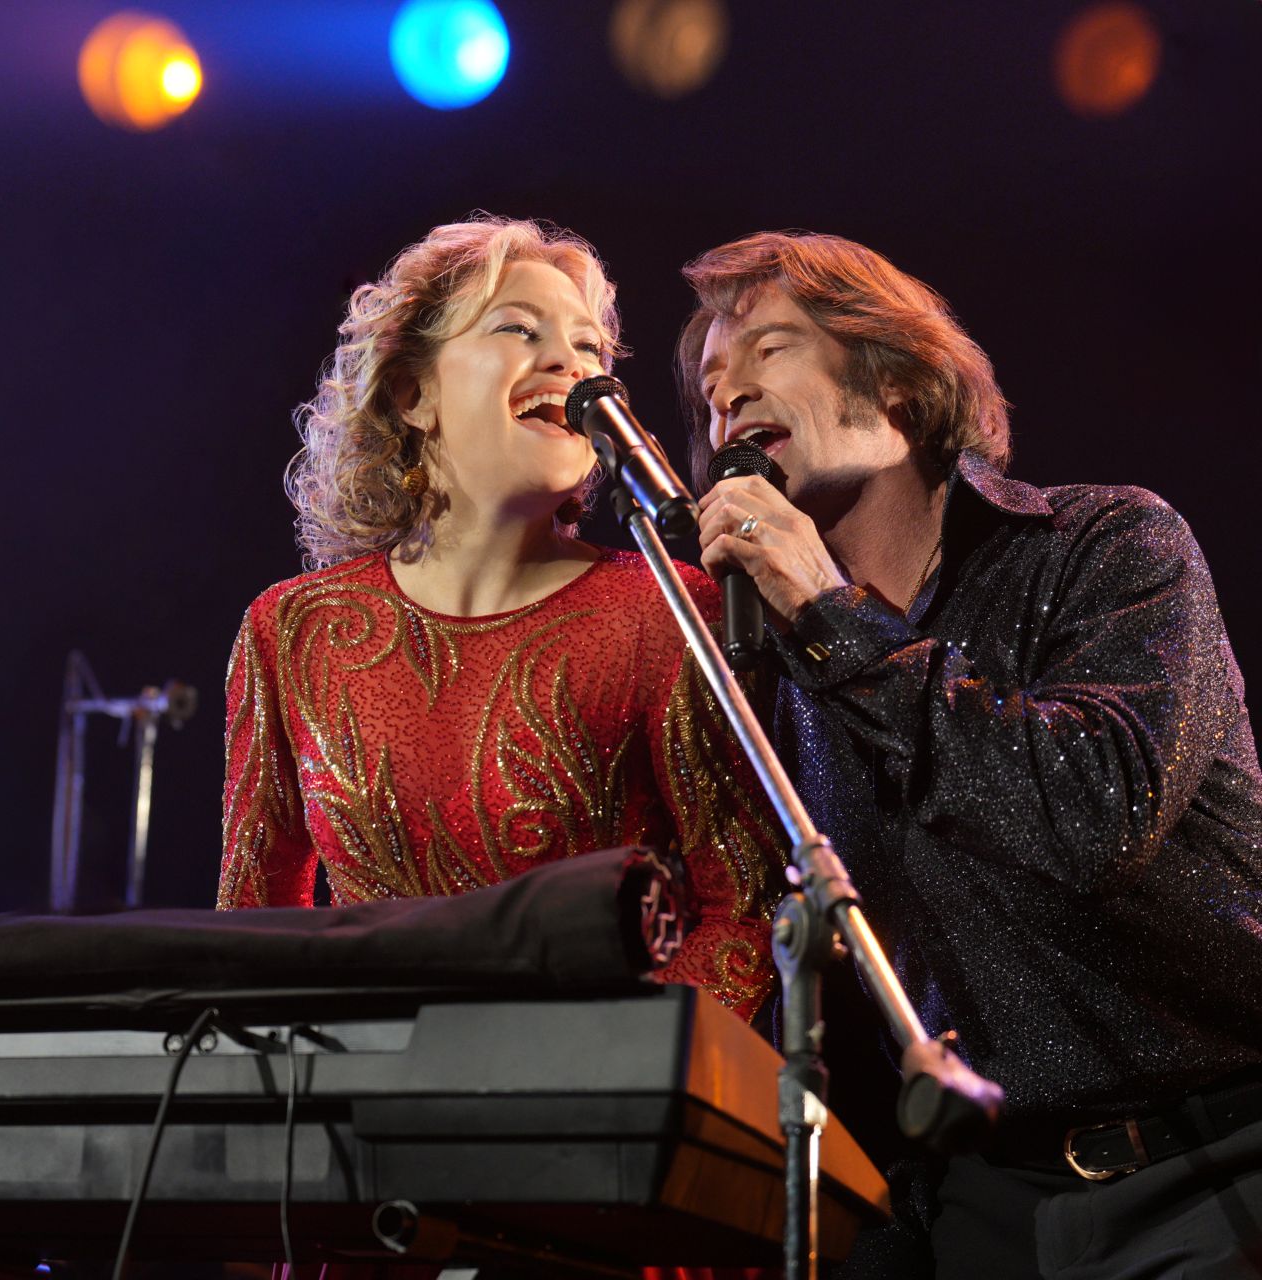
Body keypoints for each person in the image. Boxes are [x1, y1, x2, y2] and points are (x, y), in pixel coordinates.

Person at [683, 230, 1262, 1276]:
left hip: (1216, 1166)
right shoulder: (781, 674)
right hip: (987, 1202)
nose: (728, 397)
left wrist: (831, 613)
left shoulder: (1107, 545)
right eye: (711, 386)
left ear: (900, 387)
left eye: (769, 349)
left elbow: (1092, 816)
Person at [216, 213, 790, 1025]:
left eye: (590, 348)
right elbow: (251, 924)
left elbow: (747, 908)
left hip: (597, 1086)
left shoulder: (666, 610)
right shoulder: (293, 630)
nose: (571, 364)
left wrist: (610, 1072)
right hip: (362, 1086)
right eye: (519, 329)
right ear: (414, 394)